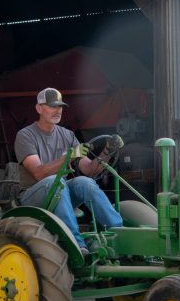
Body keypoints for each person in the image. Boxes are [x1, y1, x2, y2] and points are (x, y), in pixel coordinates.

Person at [14, 88, 123, 252]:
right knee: (53, 182)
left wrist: (107, 152)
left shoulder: (67, 135)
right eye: (52, 106)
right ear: (39, 108)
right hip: (33, 196)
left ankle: (119, 234)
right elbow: (38, 173)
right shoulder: (25, 135)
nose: (57, 110)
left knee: (84, 182)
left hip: (59, 193)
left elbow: (90, 170)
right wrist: (70, 156)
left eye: (60, 107)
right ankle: (76, 244)